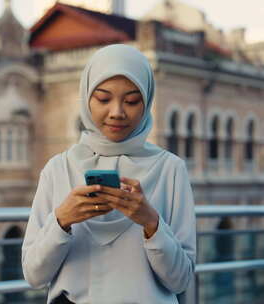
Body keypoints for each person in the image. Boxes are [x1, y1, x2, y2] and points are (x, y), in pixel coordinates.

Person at [21, 44, 196, 304]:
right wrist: (62, 221)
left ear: (146, 101)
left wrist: (151, 223)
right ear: (86, 97)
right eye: (103, 99)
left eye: (132, 101)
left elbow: (181, 280)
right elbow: (34, 275)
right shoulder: (58, 169)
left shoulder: (170, 169)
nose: (117, 112)